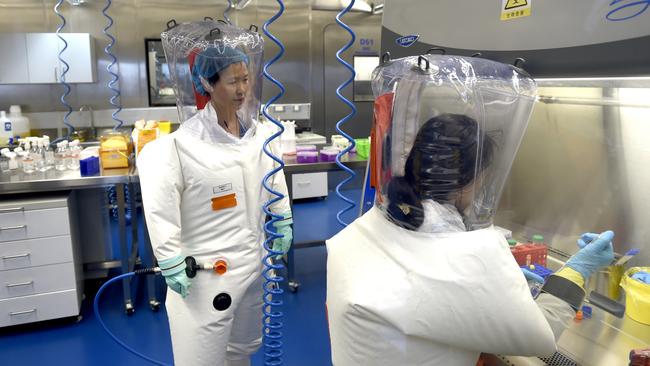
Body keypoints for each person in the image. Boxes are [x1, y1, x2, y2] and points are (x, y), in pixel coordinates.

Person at [326, 55, 615, 365]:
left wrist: (495, 282)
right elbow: (539, 336)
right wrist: (578, 270)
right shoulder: (460, 250)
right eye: (483, 178)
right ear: (470, 180)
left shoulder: (378, 222)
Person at [138, 22, 292, 366]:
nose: (242, 89)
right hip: (206, 276)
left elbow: (273, 179)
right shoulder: (177, 148)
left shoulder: (260, 137)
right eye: (232, 80)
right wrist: (169, 259)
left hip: (253, 266)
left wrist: (282, 217)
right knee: (202, 358)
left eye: (245, 78)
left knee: (242, 350)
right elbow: (160, 210)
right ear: (207, 84)